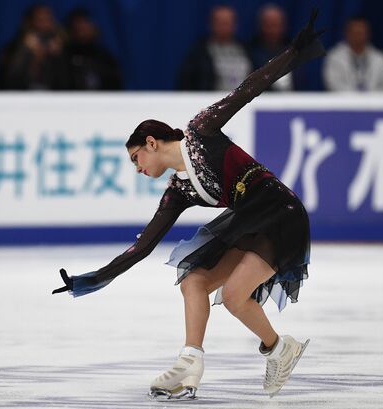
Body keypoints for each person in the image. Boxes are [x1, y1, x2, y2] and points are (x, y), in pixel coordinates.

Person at [53, 9, 325, 400]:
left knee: (232, 296)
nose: (138, 169)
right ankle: (192, 362)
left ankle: (278, 349)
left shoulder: (201, 131)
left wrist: (292, 55)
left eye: (136, 160)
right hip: (249, 221)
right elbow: (142, 246)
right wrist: (94, 278)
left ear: (150, 144)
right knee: (194, 281)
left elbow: (246, 89)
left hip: (279, 212)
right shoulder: (178, 192)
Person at [177, 5, 253, 91]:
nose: (223, 27)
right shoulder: (199, 53)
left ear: (235, 25)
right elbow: (186, 84)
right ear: (211, 24)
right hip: (211, 100)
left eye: (227, 23)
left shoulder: (247, 49)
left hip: (245, 100)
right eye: (220, 23)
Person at [0, 4, 68, 90]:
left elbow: (66, 84)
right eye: (39, 20)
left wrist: (58, 56)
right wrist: (24, 52)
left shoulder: (62, 48)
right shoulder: (13, 48)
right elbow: (10, 82)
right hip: (21, 99)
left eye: (47, 20)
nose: (43, 25)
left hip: (56, 100)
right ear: (29, 22)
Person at [323, 16, 383, 92]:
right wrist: (356, 99)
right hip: (345, 103)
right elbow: (333, 85)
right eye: (354, 33)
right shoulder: (334, 58)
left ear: (368, 34)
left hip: (376, 103)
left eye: (360, 33)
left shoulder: (380, 58)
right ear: (346, 33)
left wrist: (371, 99)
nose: (357, 37)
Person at [64, 8, 123, 90]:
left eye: (85, 25)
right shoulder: (65, 56)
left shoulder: (104, 57)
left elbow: (116, 85)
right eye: (78, 27)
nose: (82, 30)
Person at [249, 3, 298, 91]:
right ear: (262, 25)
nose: (273, 30)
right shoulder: (251, 51)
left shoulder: (293, 49)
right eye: (270, 25)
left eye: (277, 25)